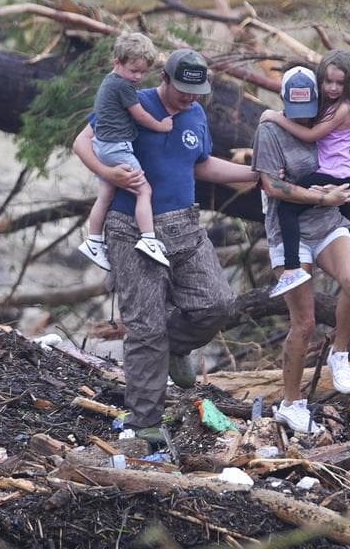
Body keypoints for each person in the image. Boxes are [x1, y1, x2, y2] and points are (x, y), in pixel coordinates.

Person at [72, 48, 256, 438]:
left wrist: (252, 172)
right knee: (144, 328)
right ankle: (145, 424)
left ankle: (173, 346)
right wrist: (110, 174)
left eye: (197, 91)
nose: (190, 97)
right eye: (183, 89)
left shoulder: (196, 114)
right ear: (165, 79)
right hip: (130, 227)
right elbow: (82, 143)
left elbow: (201, 163)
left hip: (184, 226)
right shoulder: (130, 100)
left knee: (218, 303)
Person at [252, 66, 350, 434]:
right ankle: (291, 403)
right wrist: (320, 195)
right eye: (294, 109)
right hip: (290, 232)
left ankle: (340, 353)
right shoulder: (270, 130)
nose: (302, 116)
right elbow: (271, 185)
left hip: (327, 221)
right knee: (304, 321)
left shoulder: (327, 117)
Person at [259, 51, 350, 298]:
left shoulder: (342, 109)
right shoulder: (333, 106)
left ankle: (291, 269)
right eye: (328, 81)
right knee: (348, 225)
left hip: (337, 174)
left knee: (286, 208)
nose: (333, 88)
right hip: (346, 173)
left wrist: (275, 116)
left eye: (340, 83)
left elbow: (310, 135)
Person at [78, 32, 173, 270]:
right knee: (144, 190)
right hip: (116, 147)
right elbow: (139, 115)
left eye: (142, 72)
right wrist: (161, 126)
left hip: (102, 145)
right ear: (116, 62)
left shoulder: (110, 82)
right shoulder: (123, 87)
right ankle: (148, 238)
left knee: (106, 193)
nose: (138, 77)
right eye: (133, 71)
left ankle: (93, 239)